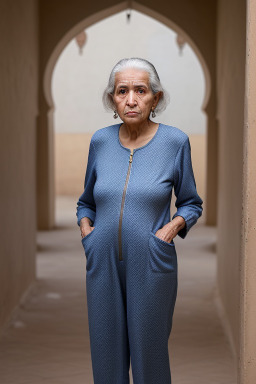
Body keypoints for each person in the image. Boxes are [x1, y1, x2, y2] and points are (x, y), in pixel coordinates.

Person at [76, 57, 203, 384]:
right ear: (112, 100)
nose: (131, 99)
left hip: (151, 260)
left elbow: (191, 203)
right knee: (105, 353)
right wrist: (88, 233)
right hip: (101, 261)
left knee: (150, 354)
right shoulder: (100, 142)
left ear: (155, 98)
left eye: (140, 90)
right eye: (122, 91)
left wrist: (171, 229)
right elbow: (86, 202)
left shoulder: (175, 142)